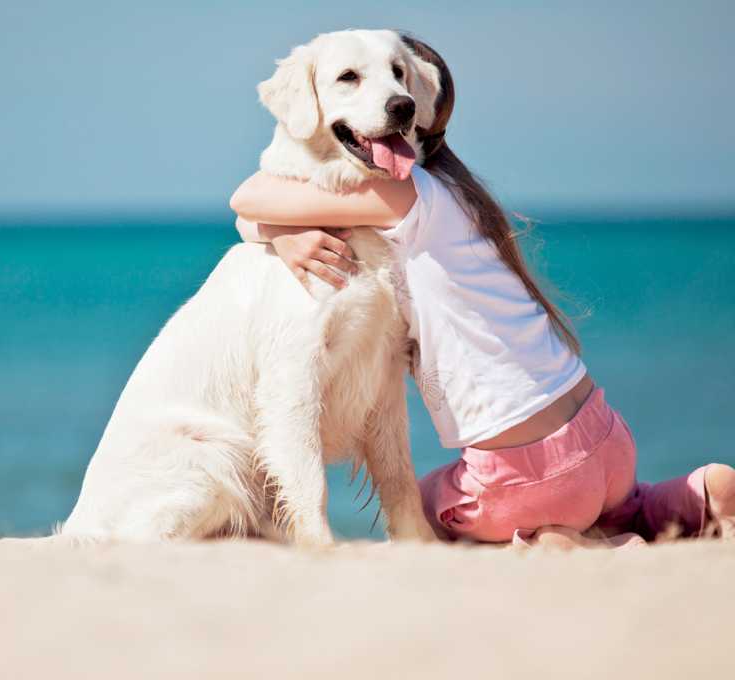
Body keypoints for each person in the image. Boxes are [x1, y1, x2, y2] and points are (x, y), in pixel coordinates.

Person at [229, 35, 734, 545]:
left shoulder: (397, 194)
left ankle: (557, 535)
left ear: (421, 107)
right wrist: (280, 231)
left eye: (399, 79)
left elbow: (248, 198)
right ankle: (690, 497)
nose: (392, 95)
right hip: (606, 437)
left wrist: (277, 232)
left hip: (527, 475)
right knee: (616, 500)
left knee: (424, 506)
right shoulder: (461, 198)